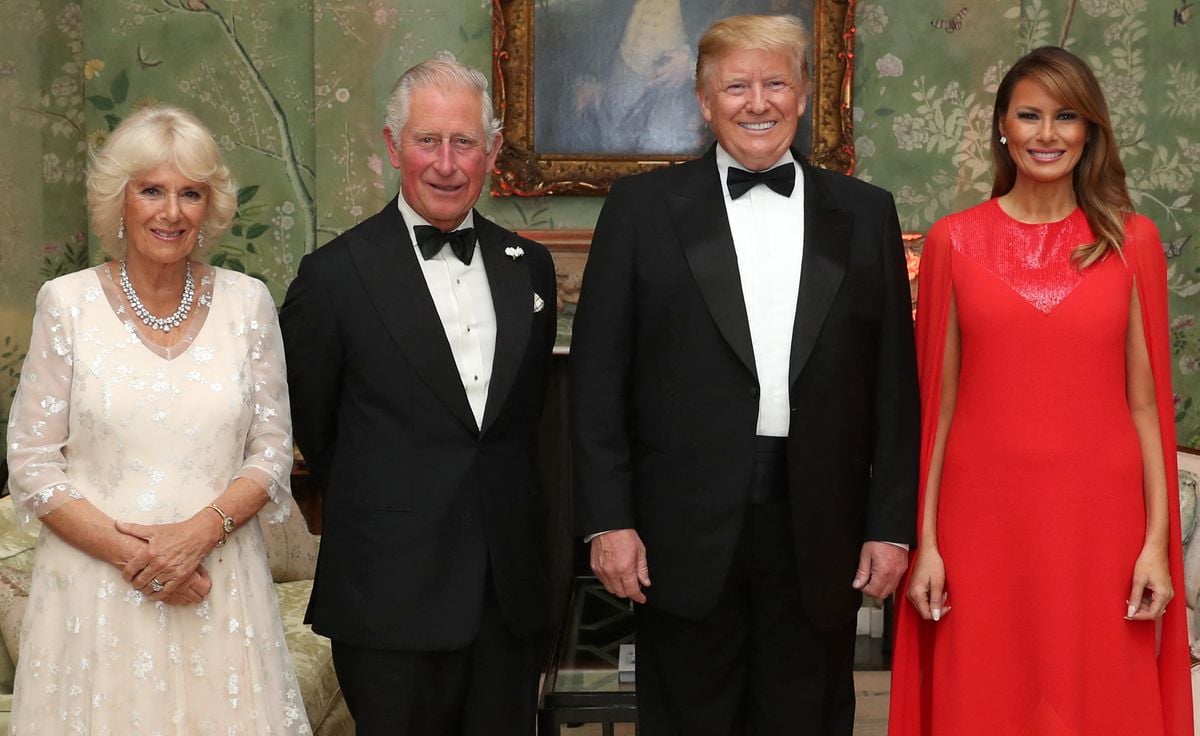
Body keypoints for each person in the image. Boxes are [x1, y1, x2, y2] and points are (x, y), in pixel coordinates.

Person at [570, 14, 919, 735]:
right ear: (704, 101)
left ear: (800, 96)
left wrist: (890, 527)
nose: (756, 101)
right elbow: (597, 380)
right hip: (678, 533)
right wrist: (609, 519)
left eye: (774, 83)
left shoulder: (865, 213)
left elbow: (893, 386)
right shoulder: (640, 212)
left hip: (820, 526)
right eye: (736, 85)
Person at [888, 46, 1195, 735]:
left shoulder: (1131, 241)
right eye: (1029, 115)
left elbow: (1146, 407)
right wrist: (927, 542)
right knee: (986, 697)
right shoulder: (952, 242)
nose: (1047, 133)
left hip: (1102, 524)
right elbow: (935, 411)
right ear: (1002, 126)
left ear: (1090, 132)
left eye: (1066, 116)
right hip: (981, 523)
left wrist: (1156, 543)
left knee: (1099, 701)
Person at [4, 105, 310, 732]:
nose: (170, 212)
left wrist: (198, 534)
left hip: (218, 589)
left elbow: (272, 451)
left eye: (190, 193)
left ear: (209, 208)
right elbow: (32, 464)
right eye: (151, 190)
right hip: (95, 599)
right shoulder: (66, 304)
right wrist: (140, 558)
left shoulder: (248, 305)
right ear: (120, 200)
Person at [279, 52, 556, 735]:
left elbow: (525, 428)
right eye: (427, 141)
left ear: (490, 150)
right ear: (393, 146)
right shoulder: (334, 278)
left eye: (464, 142)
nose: (446, 163)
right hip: (389, 595)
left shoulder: (531, 267)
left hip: (507, 597)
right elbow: (318, 429)